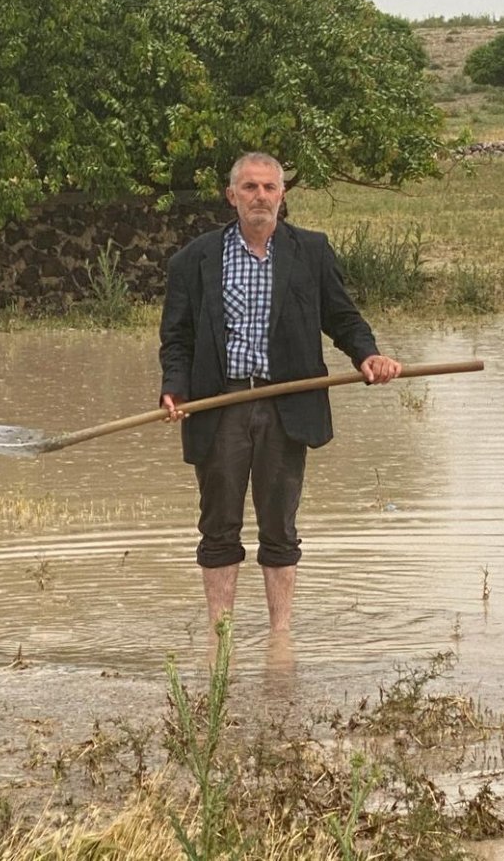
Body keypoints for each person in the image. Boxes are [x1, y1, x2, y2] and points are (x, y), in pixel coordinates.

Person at [159, 152, 401, 633]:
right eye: (249, 188)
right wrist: (174, 389)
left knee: (280, 526)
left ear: (282, 194)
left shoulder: (310, 251)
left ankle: (280, 638)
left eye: (269, 187)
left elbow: (343, 318)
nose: (260, 197)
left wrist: (367, 356)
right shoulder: (194, 259)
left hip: (287, 405)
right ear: (232, 196)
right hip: (220, 405)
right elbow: (177, 338)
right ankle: (219, 639)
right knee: (218, 525)